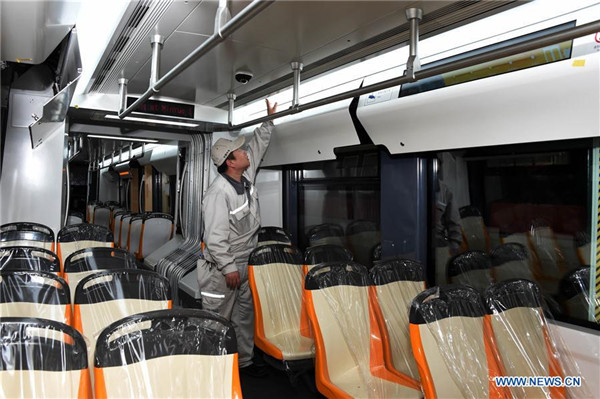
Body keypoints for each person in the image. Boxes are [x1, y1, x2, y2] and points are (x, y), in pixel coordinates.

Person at [198, 99, 277, 378]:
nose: (246, 153)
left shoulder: (244, 178)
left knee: (244, 314)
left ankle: (243, 362)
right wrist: (229, 267)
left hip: (245, 260)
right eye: (240, 151)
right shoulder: (218, 192)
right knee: (219, 318)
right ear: (230, 162)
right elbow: (215, 236)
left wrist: (269, 120)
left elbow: (257, 146)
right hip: (222, 269)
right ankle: (213, 367)